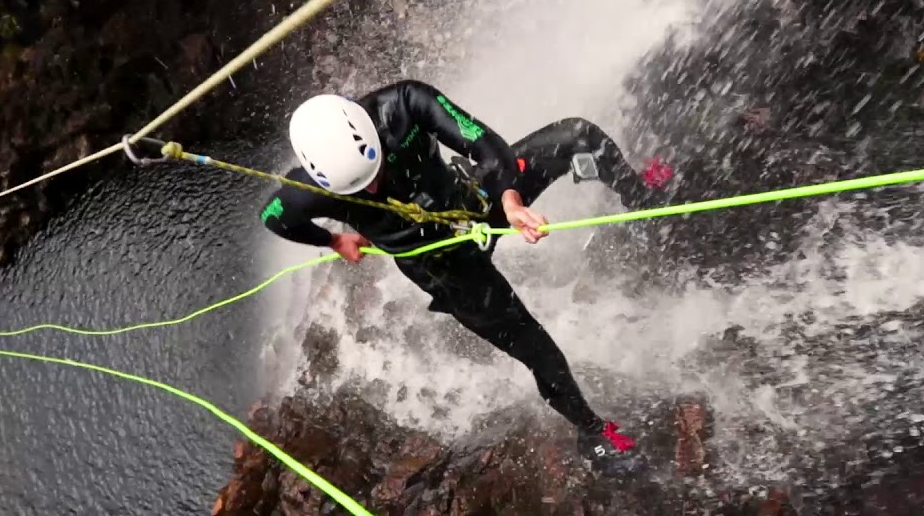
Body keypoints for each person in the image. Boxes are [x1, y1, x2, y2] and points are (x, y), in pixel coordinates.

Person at [259, 79, 674, 472]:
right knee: (537, 348)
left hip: (473, 202)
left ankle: (639, 198)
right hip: (442, 267)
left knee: (579, 135)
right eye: (358, 190)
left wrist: (510, 201)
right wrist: (333, 240)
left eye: (375, 172)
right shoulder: (305, 190)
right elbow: (274, 217)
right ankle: (592, 434)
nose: (372, 190)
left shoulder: (404, 105)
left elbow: (485, 144)